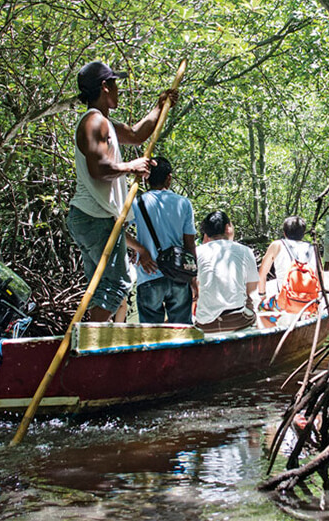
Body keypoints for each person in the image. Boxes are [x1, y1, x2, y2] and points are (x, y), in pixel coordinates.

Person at [67, 60, 177, 323]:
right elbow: (98, 168)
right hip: (95, 217)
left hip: (89, 217)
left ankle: (90, 342)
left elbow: (138, 134)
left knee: (100, 286)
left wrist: (160, 106)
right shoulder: (95, 122)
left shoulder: (103, 122)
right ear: (105, 86)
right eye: (116, 84)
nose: (119, 90)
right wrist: (131, 166)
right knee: (118, 282)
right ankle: (91, 338)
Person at [126, 157, 197, 324]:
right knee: (181, 331)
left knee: (151, 334)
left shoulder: (137, 203)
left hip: (149, 274)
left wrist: (142, 251)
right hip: (178, 275)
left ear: (146, 178)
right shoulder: (183, 203)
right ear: (169, 177)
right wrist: (193, 278)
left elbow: (117, 232)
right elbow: (189, 245)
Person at [194, 211, 259, 333]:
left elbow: (194, 289)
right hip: (238, 321)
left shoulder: (197, 252)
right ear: (227, 227)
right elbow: (252, 291)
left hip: (206, 325)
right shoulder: (245, 251)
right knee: (253, 309)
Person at [257, 216, 319, 312]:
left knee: (262, 307)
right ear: (303, 233)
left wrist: (262, 296)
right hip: (308, 304)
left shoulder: (277, 245)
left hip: (284, 304)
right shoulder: (312, 248)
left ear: (284, 233)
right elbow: (319, 278)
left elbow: (262, 274)